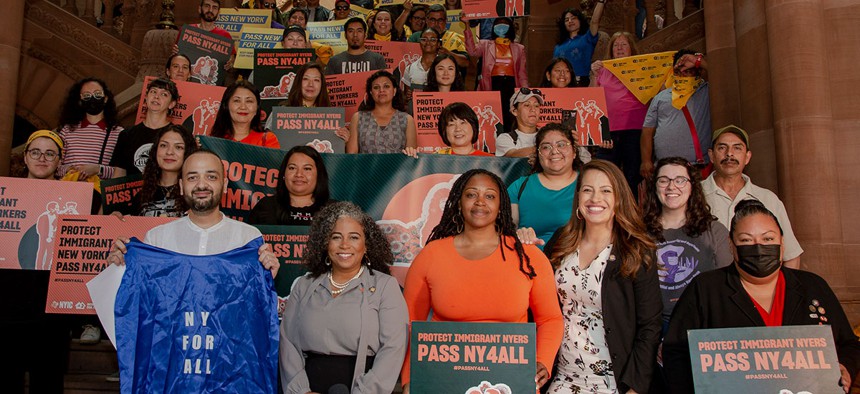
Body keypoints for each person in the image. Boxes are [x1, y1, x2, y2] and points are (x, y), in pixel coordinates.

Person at [663, 200, 860, 394]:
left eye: (768, 239)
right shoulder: (705, 289)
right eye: (746, 240)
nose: (758, 248)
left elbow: (848, 344)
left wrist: (846, 367)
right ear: (731, 245)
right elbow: (676, 352)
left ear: (782, 243)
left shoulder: (813, 286)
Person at [401, 169, 564, 392]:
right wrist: (410, 379)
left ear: (501, 206)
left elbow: (550, 319)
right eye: (471, 195)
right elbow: (409, 325)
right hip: (443, 379)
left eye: (489, 196)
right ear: (458, 203)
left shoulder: (529, 256)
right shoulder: (431, 255)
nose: (480, 202)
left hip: (511, 381)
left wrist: (543, 361)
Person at [543, 159, 662, 393]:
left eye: (606, 191)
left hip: (613, 381)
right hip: (564, 377)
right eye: (587, 190)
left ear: (618, 198)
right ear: (578, 197)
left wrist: (634, 388)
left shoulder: (635, 250)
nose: (595, 198)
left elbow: (650, 325)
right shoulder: (561, 241)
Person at [279, 201, 408, 393]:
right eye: (336, 237)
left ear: (366, 245)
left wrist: (366, 391)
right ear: (325, 243)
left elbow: (394, 348)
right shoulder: (304, 286)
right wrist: (301, 391)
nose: (345, 245)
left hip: (361, 386)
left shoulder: (384, 287)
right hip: (308, 386)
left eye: (354, 237)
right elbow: (288, 341)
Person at [108, 149, 279, 271]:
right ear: (182, 186)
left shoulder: (248, 238)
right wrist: (117, 269)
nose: (201, 185)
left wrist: (266, 276)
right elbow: (140, 301)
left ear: (225, 185)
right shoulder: (156, 239)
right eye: (192, 177)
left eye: (211, 177)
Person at [642, 157, 732, 328]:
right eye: (663, 180)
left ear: (692, 186)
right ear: (654, 186)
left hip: (703, 321)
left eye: (680, 180)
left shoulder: (715, 231)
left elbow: (726, 285)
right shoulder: (639, 232)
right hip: (653, 324)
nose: (671, 186)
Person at [702, 125, 802, 269]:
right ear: (711, 155)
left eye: (737, 148)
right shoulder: (693, 195)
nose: (729, 154)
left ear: (747, 157)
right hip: (708, 287)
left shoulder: (767, 199)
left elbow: (791, 255)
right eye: (722, 148)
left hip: (757, 288)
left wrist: (783, 290)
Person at [511, 123, 583, 250]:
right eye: (546, 147)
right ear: (538, 154)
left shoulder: (587, 185)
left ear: (574, 152)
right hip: (529, 263)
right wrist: (517, 235)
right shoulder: (519, 187)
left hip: (576, 264)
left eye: (561, 145)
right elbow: (507, 229)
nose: (554, 151)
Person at [591, 31, 648, 192]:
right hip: (608, 130)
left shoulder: (642, 68)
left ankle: (630, 214)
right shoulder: (602, 70)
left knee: (632, 176)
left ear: (631, 48)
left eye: (624, 44)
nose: (619, 48)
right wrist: (594, 75)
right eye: (616, 45)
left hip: (635, 129)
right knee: (606, 175)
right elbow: (592, 97)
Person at [641, 49, 711, 178]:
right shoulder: (660, 97)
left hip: (697, 167)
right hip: (665, 168)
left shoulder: (705, 91)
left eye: (688, 71)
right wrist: (646, 161)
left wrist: (697, 61)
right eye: (678, 72)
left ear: (698, 72)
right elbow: (647, 130)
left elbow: (724, 73)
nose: (682, 75)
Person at [464, 16, 527, 129]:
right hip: (492, 84)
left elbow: (522, 73)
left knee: (509, 116)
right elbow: (472, 52)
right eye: (498, 24)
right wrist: (467, 26)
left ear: (510, 27)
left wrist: (526, 91)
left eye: (504, 24)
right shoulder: (486, 44)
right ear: (493, 28)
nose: (500, 26)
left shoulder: (519, 48)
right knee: (492, 115)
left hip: (510, 85)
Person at [56, 77, 123, 180]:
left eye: (97, 94)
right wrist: (70, 169)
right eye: (87, 95)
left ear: (105, 98)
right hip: (69, 191)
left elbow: (123, 172)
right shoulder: (67, 130)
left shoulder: (119, 133)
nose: (92, 98)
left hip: (99, 193)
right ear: (80, 100)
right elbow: (54, 166)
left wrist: (98, 169)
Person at [248, 146, 333, 225]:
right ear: (284, 174)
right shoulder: (266, 206)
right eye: (292, 168)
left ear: (319, 175)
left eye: (307, 169)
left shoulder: (333, 210)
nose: (299, 174)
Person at [111, 78, 179, 176]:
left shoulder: (178, 136)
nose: (156, 97)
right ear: (146, 97)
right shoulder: (126, 134)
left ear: (172, 104)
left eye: (164, 94)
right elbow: (119, 174)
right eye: (153, 92)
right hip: (131, 190)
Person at [127, 125, 198, 217]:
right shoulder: (141, 196)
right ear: (155, 150)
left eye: (178, 147)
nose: (169, 152)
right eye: (163, 145)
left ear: (188, 152)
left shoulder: (197, 193)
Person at [347, 70, 417, 153]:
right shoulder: (358, 117)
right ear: (371, 92)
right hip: (365, 166)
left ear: (394, 91)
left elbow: (411, 156)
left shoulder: (407, 119)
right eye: (376, 87)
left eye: (386, 86)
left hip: (397, 166)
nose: (381, 90)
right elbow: (351, 156)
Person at [403, 102, 493, 157]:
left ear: (473, 126)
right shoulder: (435, 159)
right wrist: (411, 159)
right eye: (451, 124)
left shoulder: (490, 161)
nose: (458, 129)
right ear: (444, 131)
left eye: (463, 122)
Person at [211, 80, 281, 148]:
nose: (243, 107)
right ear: (226, 106)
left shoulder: (267, 140)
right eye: (237, 101)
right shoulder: (214, 141)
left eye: (249, 101)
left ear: (257, 108)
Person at [553, 3, 605, 87]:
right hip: (561, 83)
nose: (570, 21)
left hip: (581, 83)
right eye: (566, 20)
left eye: (573, 18)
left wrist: (601, 2)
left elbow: (595, 21)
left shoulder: (587, 38)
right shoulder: (558, 46)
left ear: (580, 20)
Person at [406, 5, 469, 72]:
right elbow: (405, 58)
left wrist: (448, 54)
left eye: (440, 20)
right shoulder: (416, 37)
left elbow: (466, 63)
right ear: (427, 20)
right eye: (433, 20)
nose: (436, 24)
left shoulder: (454, 38)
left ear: (445, 21)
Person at [495, 87, 542, 158]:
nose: (533, 109)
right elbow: (512, 155)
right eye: (527, 105)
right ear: (514, 111)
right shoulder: (505, 138)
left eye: (536, 106)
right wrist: (545, 147)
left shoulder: (548, 134)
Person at [401, 28, 440, 100]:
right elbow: (405, 96)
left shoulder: (444, 67)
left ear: (438, 44)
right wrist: (408, 95)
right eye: (424, 39)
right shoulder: (410, 68)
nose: (428, 43)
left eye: (433, 40)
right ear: (420, 43)